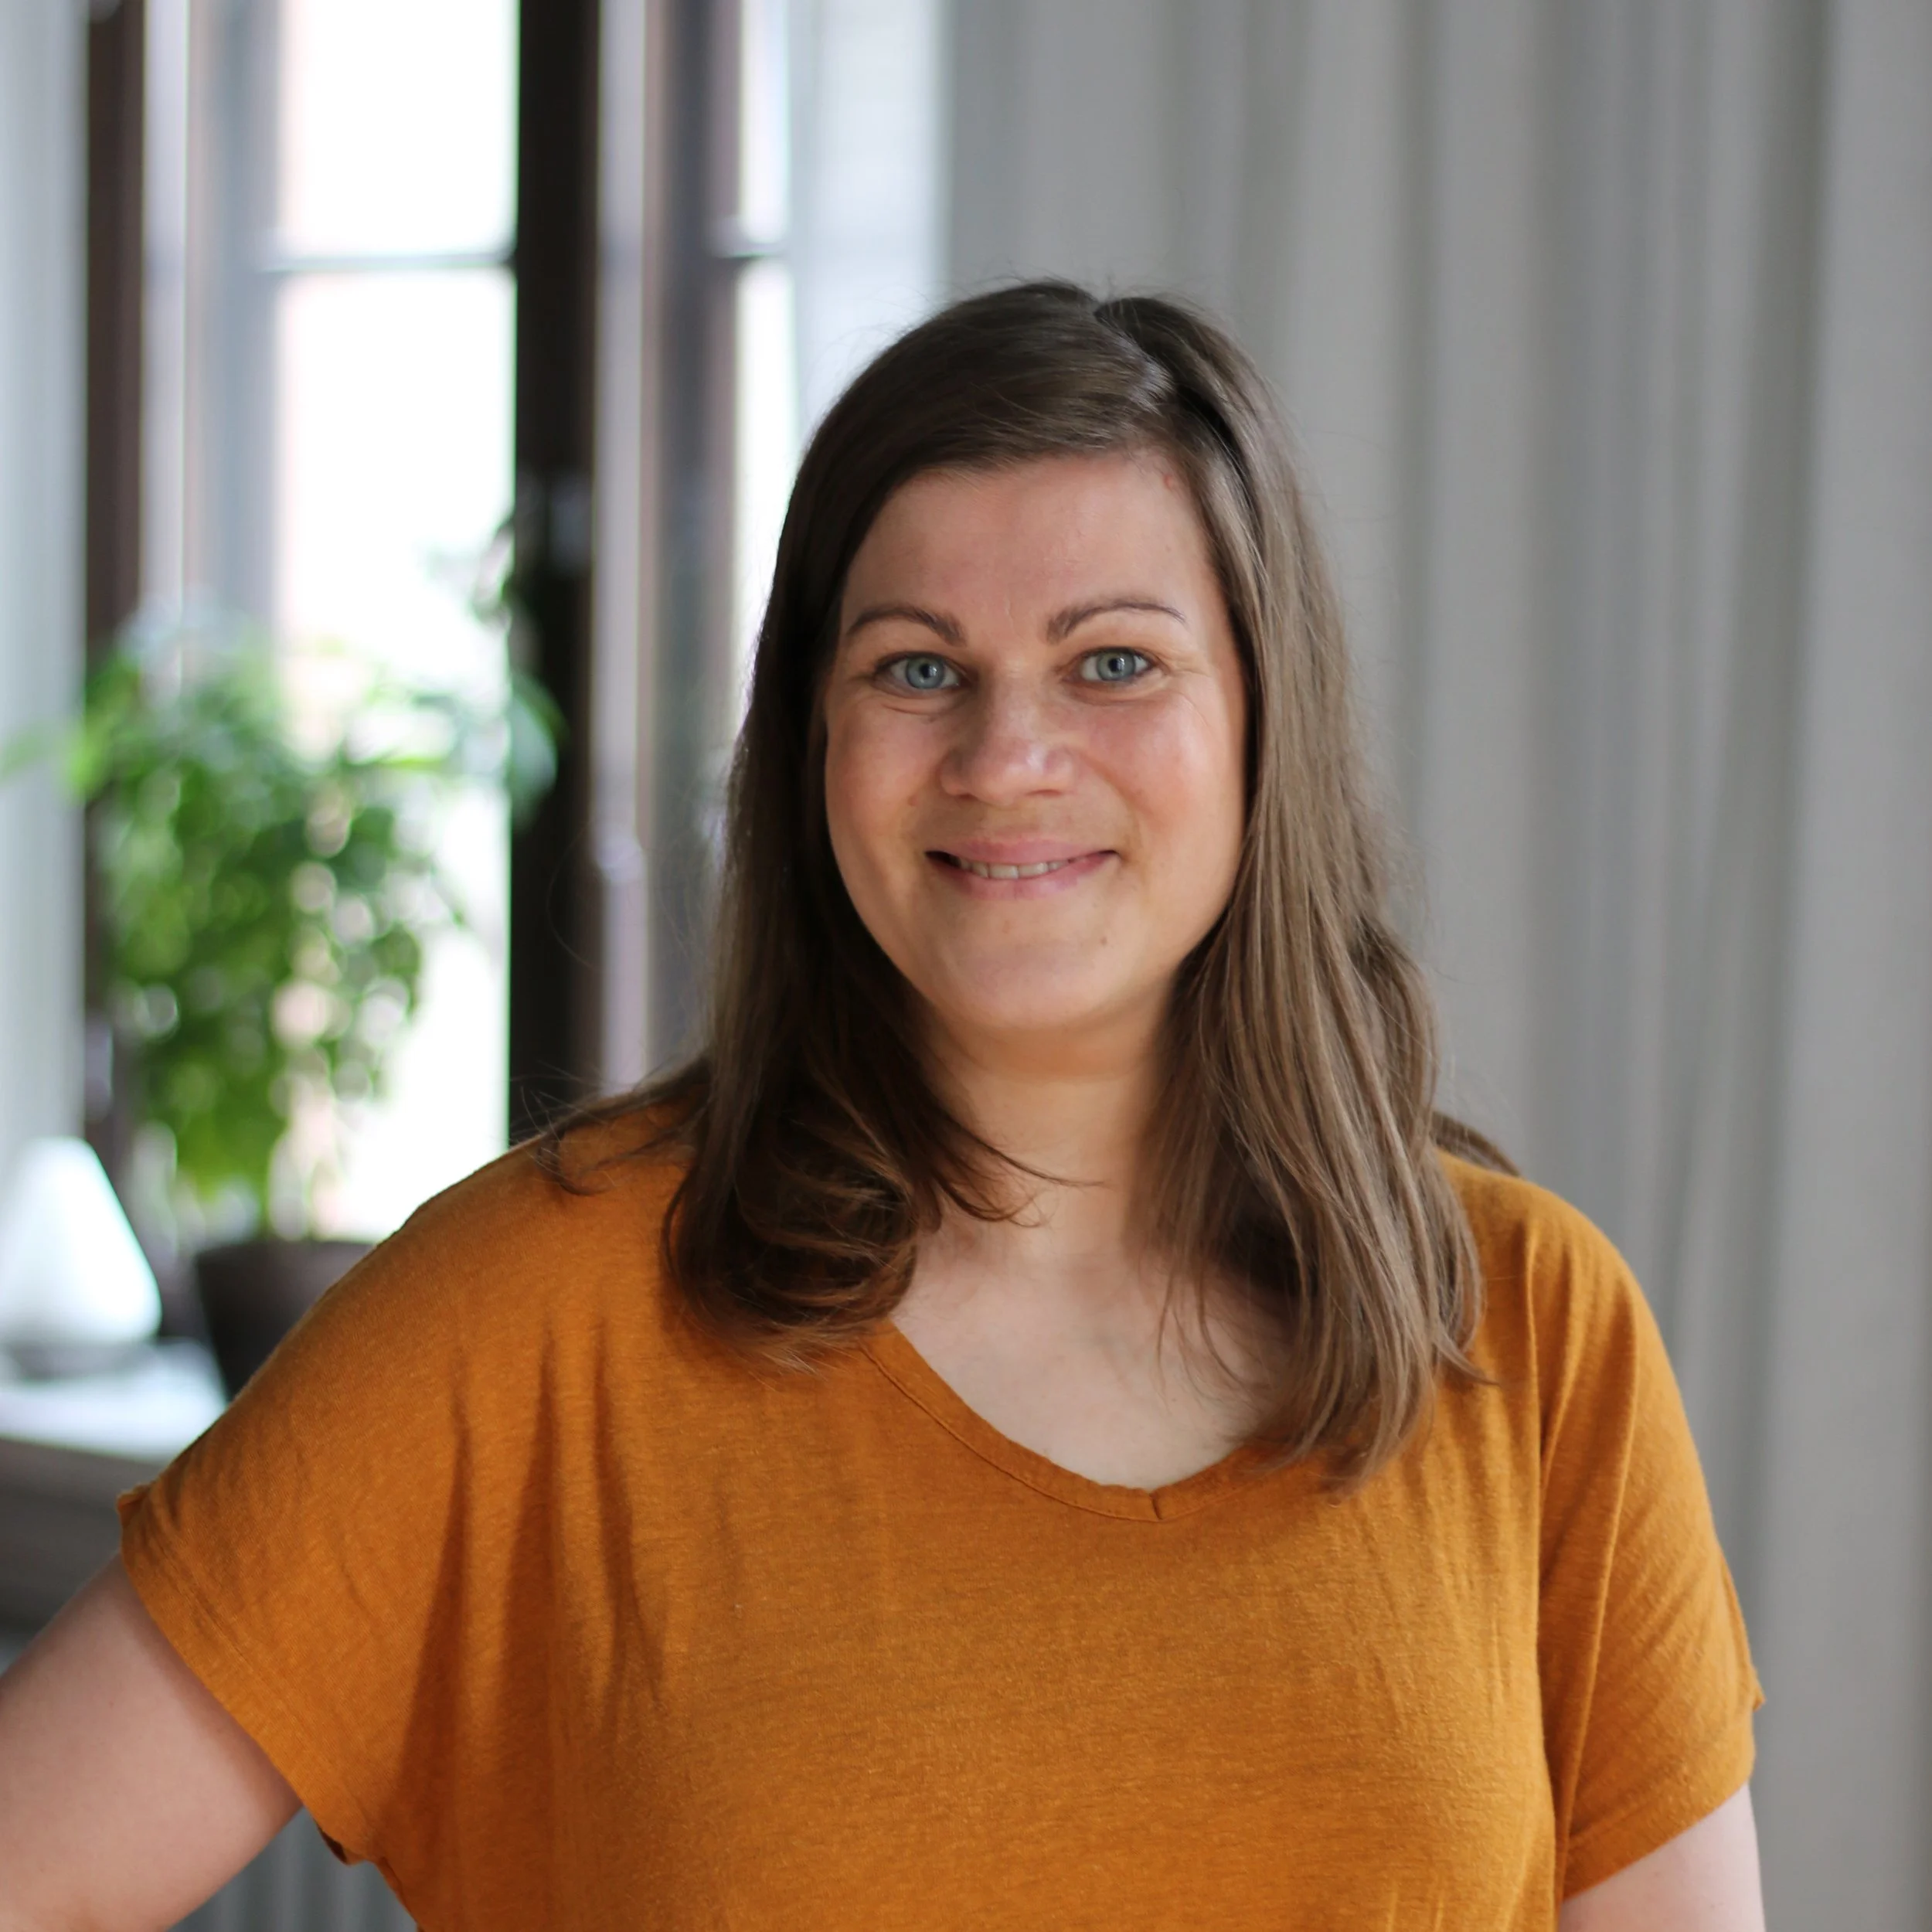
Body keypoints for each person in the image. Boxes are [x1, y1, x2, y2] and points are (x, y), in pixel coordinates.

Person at [0, 282, 1762, 1930]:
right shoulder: (530, 1312)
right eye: (915, 666)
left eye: (1114, 662)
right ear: (809, 744)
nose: (1006, 755)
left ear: (1261, 727)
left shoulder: (1533, 1335)